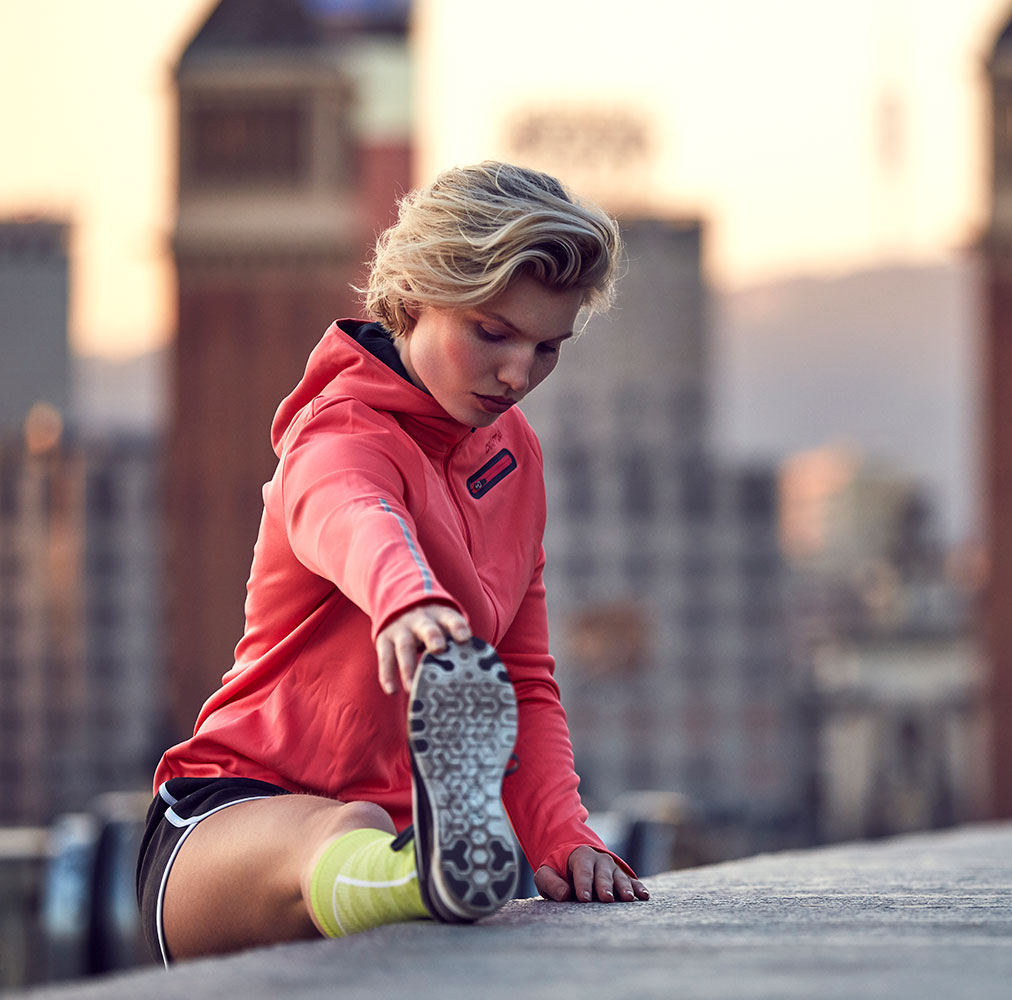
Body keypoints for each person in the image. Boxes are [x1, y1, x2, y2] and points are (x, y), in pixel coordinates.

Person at [136, 162, 649, 965]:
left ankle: (423, 875)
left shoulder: (515, 457)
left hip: (397, 851)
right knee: (348, 828)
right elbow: (353, 514)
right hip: (223, 832)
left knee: (377, 833)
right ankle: (423, 881)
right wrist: (407, 601)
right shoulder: (333, 437)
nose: (520, 375)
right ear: (414, 297)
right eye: (492, 332)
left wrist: (562, 837)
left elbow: (521, 677)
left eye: (548, 347)